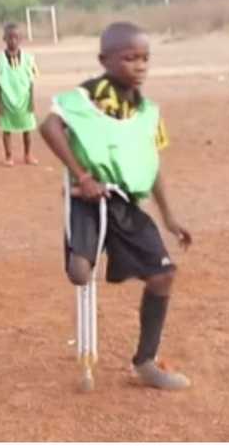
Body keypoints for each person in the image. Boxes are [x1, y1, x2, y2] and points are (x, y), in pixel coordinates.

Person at [39, 22, 195, 390]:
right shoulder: (86, 97)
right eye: (129, 58)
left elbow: (150, 164)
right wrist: (81, 176)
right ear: (104, 60)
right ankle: (80, 253)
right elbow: (49, 126)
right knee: (80, 272)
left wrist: (169, 217)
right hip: (88, 199)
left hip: (125, 203)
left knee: (163, 275)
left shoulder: (147, 110)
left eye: (145, 59)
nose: (139, 66)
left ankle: (145, 362)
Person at [0, 23, 40, 166]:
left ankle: (28, 155)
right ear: (4, 38)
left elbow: (31, 81)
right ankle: (8, 156)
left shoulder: (28, 58)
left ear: (21, 39)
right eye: (9, 38)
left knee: (27, 129)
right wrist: (0, 103)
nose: (13, 41)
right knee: (7, 129)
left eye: (16, 38)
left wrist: (32, 100)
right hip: (7, 100)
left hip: (24, 98)